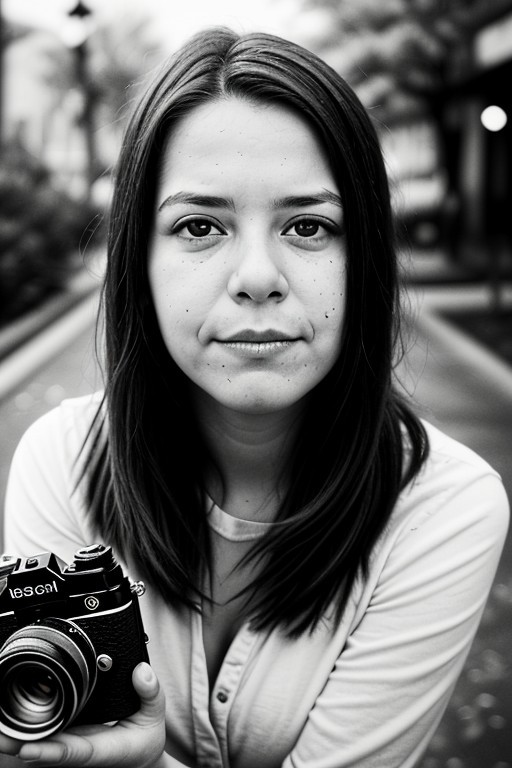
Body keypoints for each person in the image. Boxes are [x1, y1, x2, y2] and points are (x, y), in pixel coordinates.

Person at [1, 27, 509, 768]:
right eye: (200, 225)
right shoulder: (63, 462)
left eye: (308, 226)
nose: (256, 276)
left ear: (361, 259)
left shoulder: (444, 511)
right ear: (138, 261)